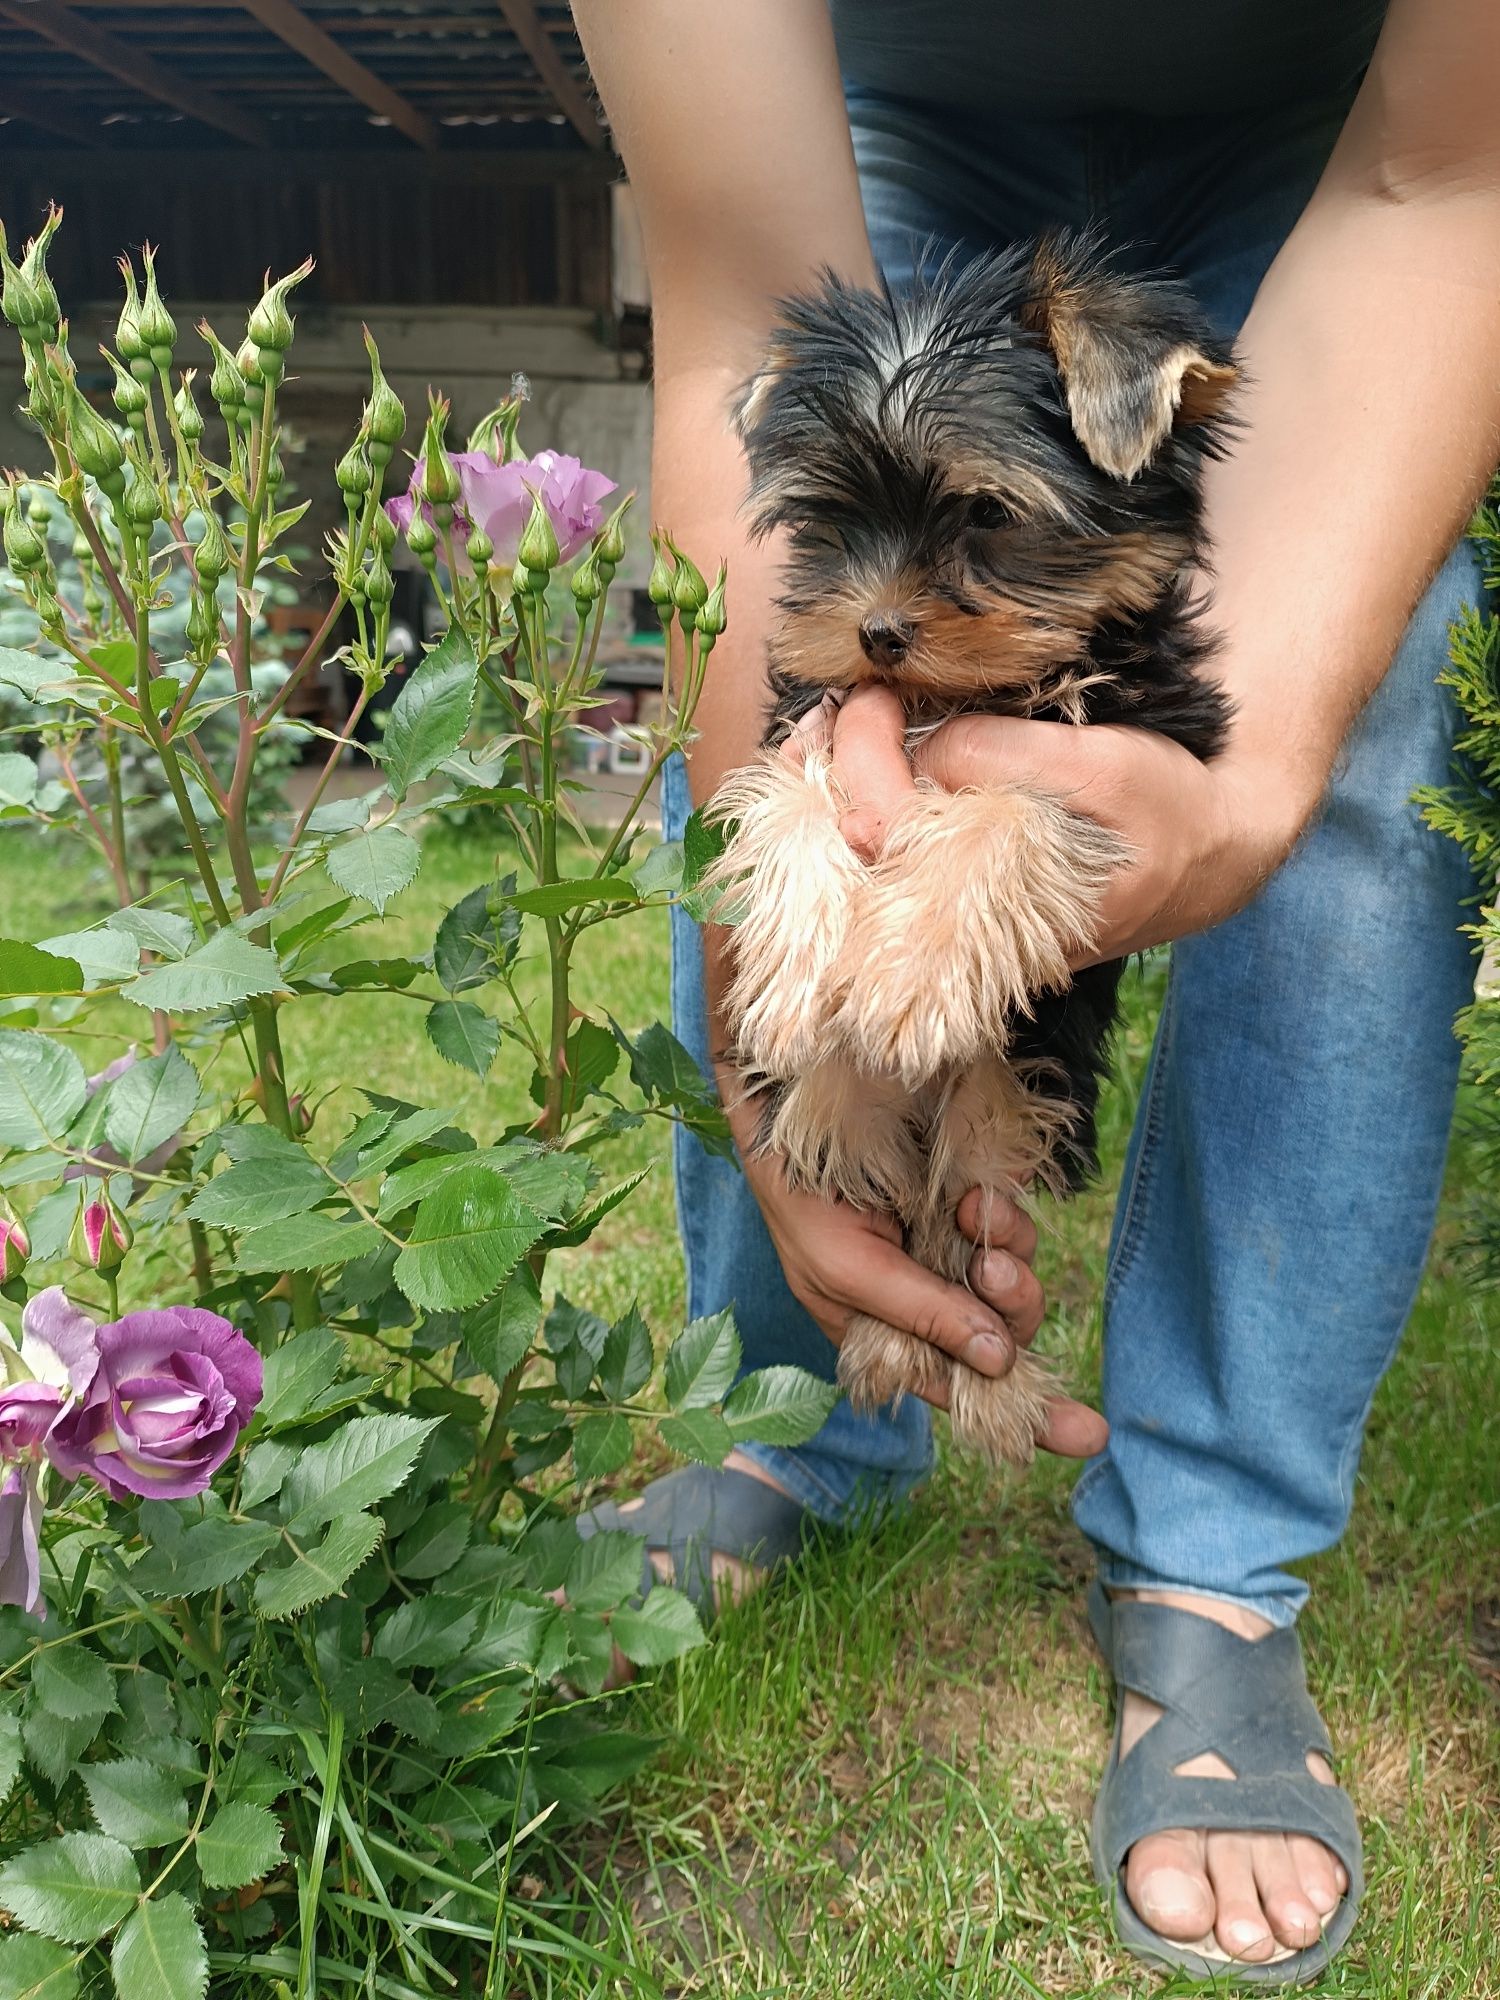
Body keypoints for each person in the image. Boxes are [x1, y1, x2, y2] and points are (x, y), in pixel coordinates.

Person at [568, 0, 1500, 1982]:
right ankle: (788, 1407)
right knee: (807, 712)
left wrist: (1246, 780)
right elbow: (749, 329)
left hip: (1359, 134)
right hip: (877, 102)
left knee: (1376, 682)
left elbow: (1457, 166)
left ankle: (1217, 1558)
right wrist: (773, 996)